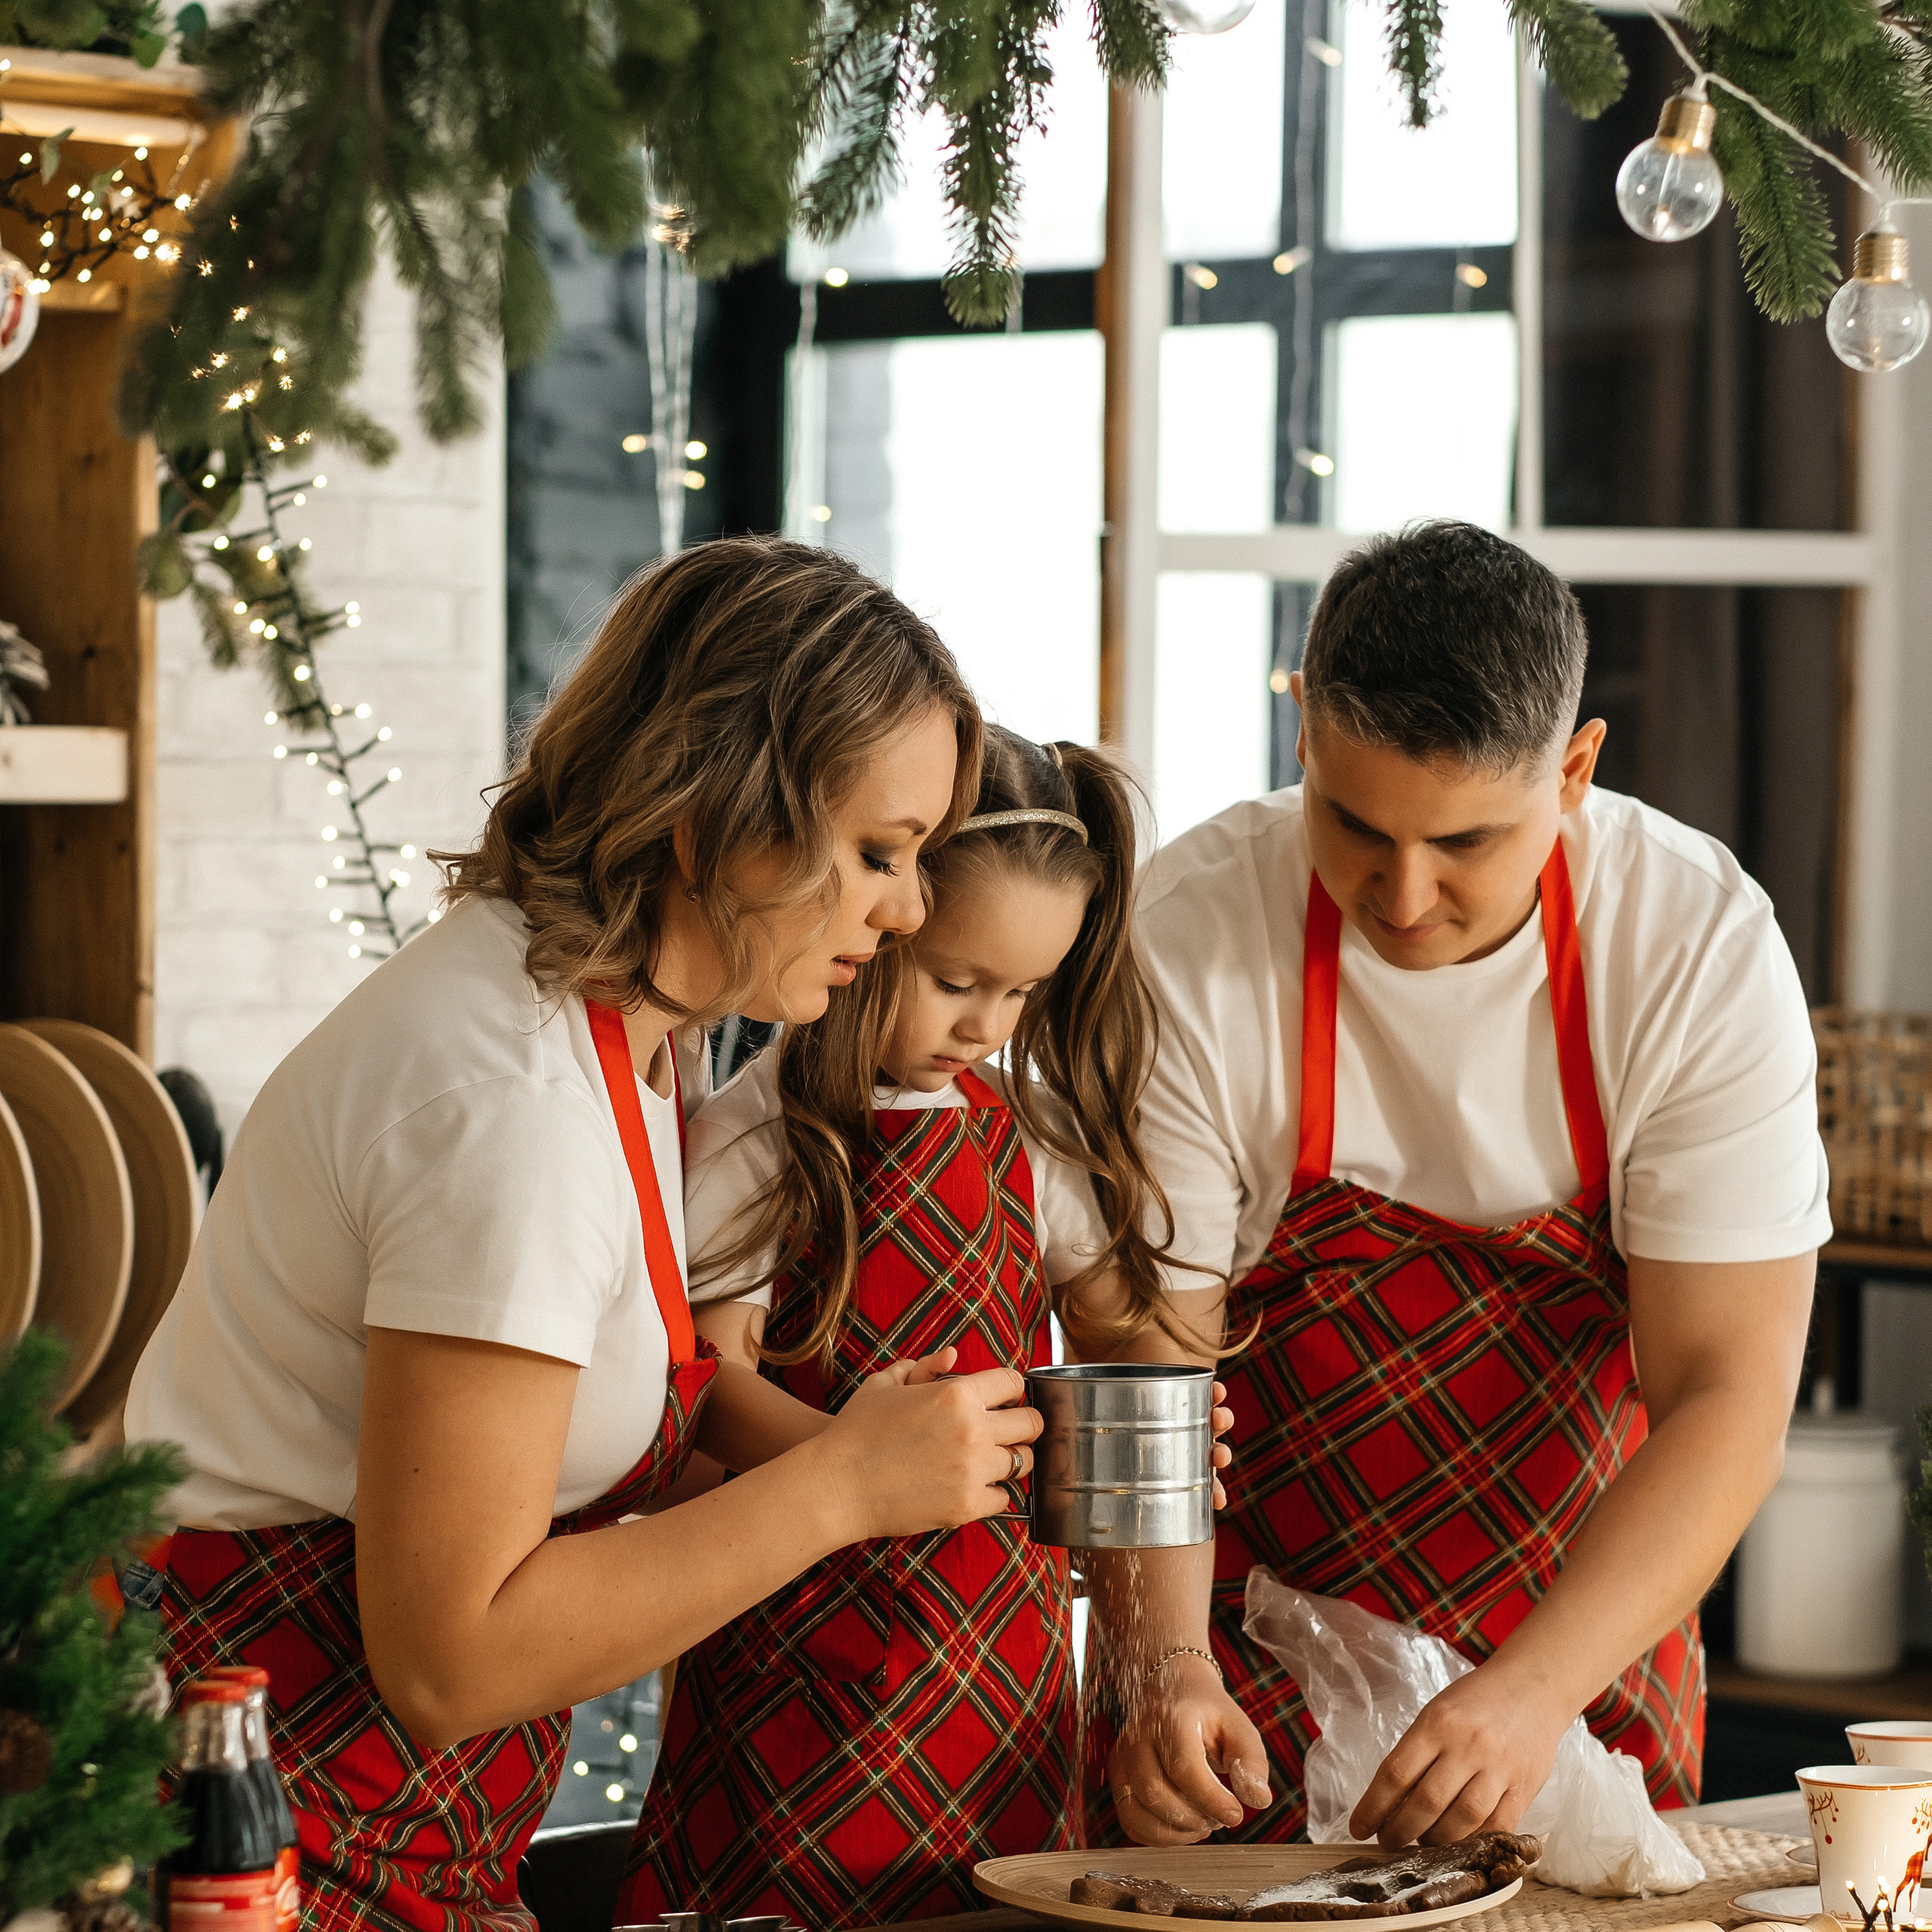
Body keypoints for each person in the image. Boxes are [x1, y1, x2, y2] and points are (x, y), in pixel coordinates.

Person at [125, 538, 1046, 1932]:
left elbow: (576, 1414)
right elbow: (451, 1657)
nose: (909, 910)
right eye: (878, 853)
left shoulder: (603, 1023)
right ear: (711, 816)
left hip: (378, 1816)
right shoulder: (511, 1104)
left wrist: (870, 1452)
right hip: (262, 1827)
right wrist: (840, 1491)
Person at [1079, 520, 1824, 1847]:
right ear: (1302, 727)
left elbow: (1727, 1395)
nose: (1405, 896)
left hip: (1582, 1648)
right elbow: (1153, 1370)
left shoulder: (1695, 944)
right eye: (1355, 825)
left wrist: (1531, 1693)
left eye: (1468, 843)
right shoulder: (1188, 934)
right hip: (1241, 1654)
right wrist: (1164, 1664)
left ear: (1578, 769)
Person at [619, 727, 1233, 1928]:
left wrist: (1148, 1439)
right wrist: (862, 1466)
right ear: (882, 920)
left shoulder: (1031, 1137)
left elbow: (1123, 1346)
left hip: (997, 1667)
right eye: (957, 981)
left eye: (1022, 993)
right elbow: (702, 1384)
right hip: (795, 1651)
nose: (986, 1025)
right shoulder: (765, 1133)